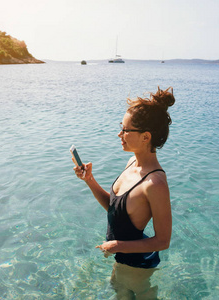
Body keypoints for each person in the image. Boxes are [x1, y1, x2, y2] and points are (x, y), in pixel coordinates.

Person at [73, 87, 175, 299]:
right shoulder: (131, 163)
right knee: (118, 291)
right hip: (123, 259)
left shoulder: (155, 183)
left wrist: (117, 245)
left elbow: (163, 241)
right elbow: (115, 209)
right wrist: (89, 180)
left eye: (126, 130)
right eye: (121, 127)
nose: (120, 134)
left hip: (138, 267)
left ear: (146, 137)